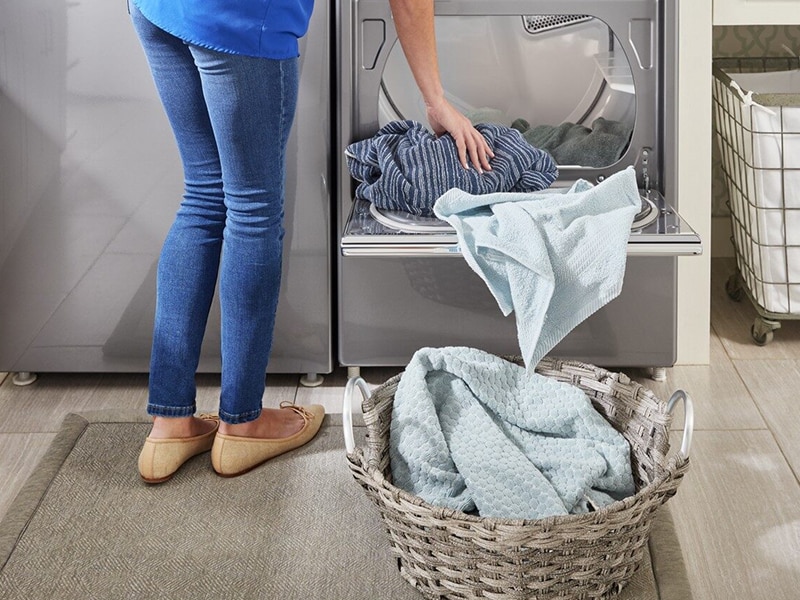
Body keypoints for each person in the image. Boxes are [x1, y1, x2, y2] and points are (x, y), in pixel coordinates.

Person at [131, 0, 493, 484]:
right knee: (252, 210)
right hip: (239, 18)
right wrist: (435, 100)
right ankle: (242, 424)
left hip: (157, 9)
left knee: (202, 194)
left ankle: (170, 425)